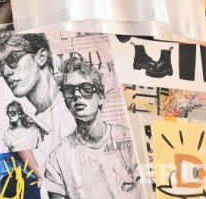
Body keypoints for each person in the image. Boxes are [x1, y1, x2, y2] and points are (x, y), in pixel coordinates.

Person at [0, 29, 76, 187]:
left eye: (13, 58)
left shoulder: (74, 108)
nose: (6, 72)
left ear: (41, 57)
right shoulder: (30, 124)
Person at [45, 56, 143, 198]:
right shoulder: (57, 159)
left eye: (86, 89)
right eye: (69, 91)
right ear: (66, 102)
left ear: (101, 98)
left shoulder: (129, 140)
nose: (77, 95)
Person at [4, 101, 45, 184]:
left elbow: (48, 131)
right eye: (8, 113)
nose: (9, 115)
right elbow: (9, 154)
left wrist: (30, 114)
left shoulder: (33, 128)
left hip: (39, 166)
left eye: (12, 113)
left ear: (20, 113)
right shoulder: (8, 134)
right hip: (22, 171)